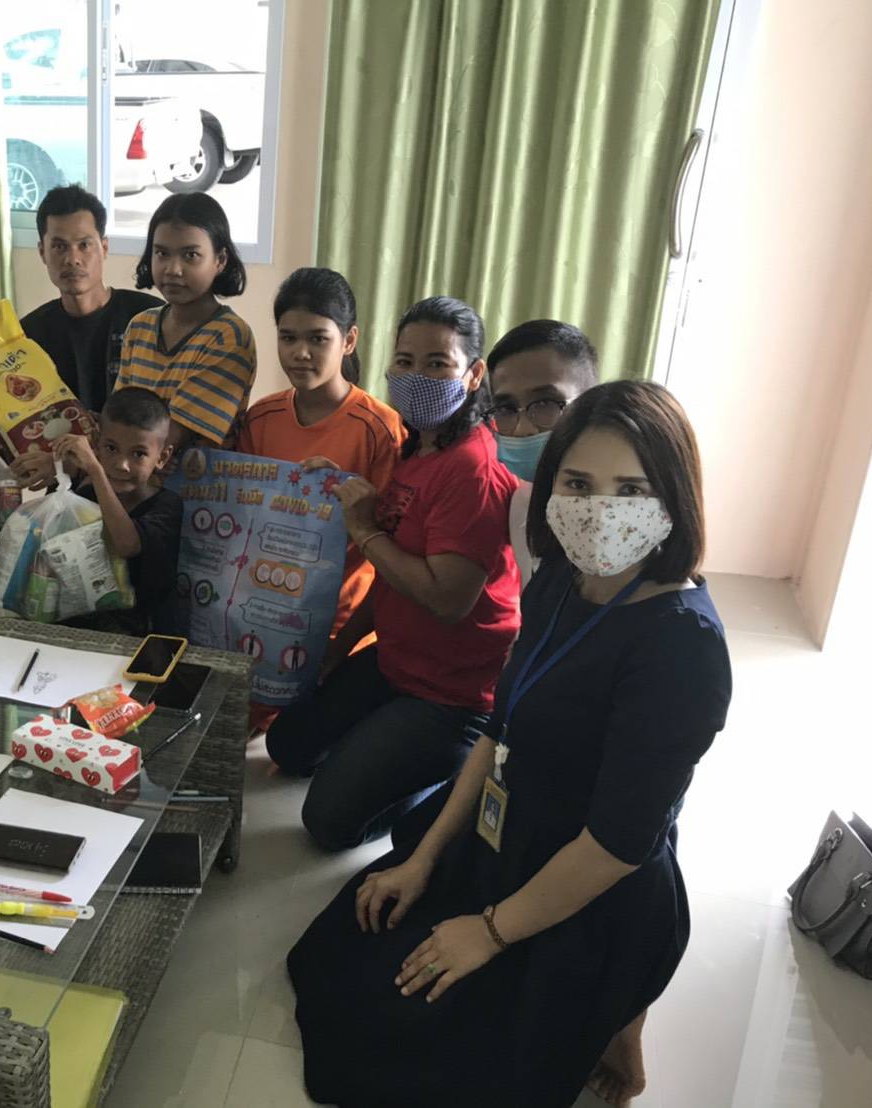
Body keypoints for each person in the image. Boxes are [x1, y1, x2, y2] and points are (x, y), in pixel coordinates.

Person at [286, 380, 731, 1108]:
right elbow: (502, 726)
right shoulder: (561, 578)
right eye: (578, 484)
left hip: (590, 876)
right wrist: (426, 858)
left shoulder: (684, 649)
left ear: (673, 498)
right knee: (343, 959)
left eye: (630, 489)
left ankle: (620, 1015)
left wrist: (489, 934)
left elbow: (618, 845)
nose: (599, 510)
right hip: (510, 827)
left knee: (414, 1059)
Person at [264, 297, 521, 851]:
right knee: (287, 747)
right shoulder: (419, 447)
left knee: (328, 824)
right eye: (404, 361)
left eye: (437, 364)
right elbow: (391, 568)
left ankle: (454, 777)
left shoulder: (473, 468)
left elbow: (448, 600)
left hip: (452, 693)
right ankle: (383, 748)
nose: (415, 376)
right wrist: (340, 651)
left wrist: (364, 530)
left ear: (474, 374)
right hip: (396, 660)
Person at [235, 267, 405, 732]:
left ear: (348, 341)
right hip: (264, 606)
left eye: (317, 339)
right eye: (288, 337)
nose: (300, 352)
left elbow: (391, 536)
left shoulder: (380, 428)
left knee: (298, 741)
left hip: (340, 621)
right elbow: (242, 512)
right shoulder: (261, 418)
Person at [113, 193, 256, 452]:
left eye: (190, 255)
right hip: (131, 471)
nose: (173, 269)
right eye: (161, 253)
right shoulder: (139, 327)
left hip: (193, 478)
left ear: (220, 260)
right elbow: (120, 421)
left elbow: (168, 440)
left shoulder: (229, 336)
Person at [52, 387, 183, 636]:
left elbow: (126, 544)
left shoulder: (167, 506)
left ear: (162, 457)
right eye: (111, 448)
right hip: (85, 627)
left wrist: (95, 469)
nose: (122, 465)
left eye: (139, 454)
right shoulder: (86, 497)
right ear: (96, 444)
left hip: (146, 636)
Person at [20, 185, 161, 413]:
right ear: (42, 252)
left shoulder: (150, 318)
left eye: (84, 245)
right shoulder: (28, 336)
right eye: (59, 246)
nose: (72, 259)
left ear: (104, 248)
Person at [487, 319, 599, 585]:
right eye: (506, 408)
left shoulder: (621, 515)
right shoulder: (524, 504)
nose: (523, 428)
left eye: (546, 403)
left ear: (592, 403)